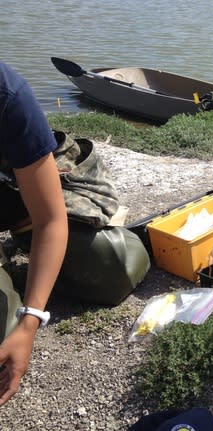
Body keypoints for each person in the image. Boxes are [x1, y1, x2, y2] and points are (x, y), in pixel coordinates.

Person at [0, 61, 68, 406]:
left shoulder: (8, 94)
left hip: (13, 194)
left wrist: (29, 324)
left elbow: (51, 220)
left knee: (111, 263)